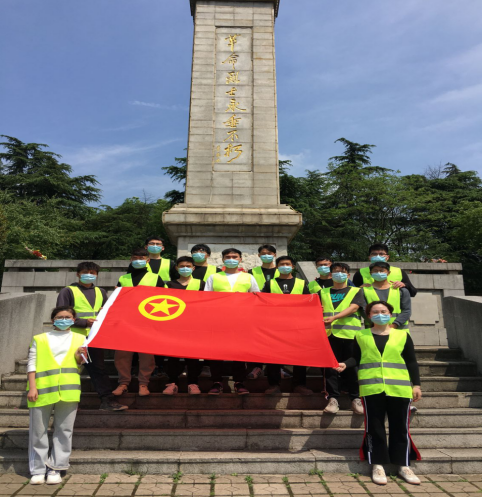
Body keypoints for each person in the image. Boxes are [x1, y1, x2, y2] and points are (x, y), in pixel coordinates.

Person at [335, 301, 422, 486]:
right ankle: (377, 464)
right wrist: (345, 364)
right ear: (368, 316)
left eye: (384, 311)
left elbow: (411, 361)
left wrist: (417, 385)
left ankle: (403, 465)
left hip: (399, 388)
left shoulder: (402, 335)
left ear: (390, 314)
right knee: (375, 427)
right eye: (375, 312)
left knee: (400, 427)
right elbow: (356, 358)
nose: (380, 314)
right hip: (371, 388)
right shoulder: (361, 335)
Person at [56, 262, 127, 412]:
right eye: (85, 272)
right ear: (78, 274)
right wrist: (84, 322)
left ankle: (107, 401)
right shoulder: (68, 291)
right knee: (68, 370)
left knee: (98, 369)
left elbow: (107, 313)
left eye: (92, 273)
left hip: (94, 337)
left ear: (97, 275)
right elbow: (61, 315)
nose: (89, 275)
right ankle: (62, 402)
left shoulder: (101, 292)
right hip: (72, 336)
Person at [27, 306, 86, 485]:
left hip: (69, 390)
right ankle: (38, 469)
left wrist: (79, 356)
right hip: (41, 390)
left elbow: (80, 364)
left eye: (68, 317)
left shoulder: (81, 338)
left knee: (64, 431)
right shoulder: (40, 338)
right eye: (60, 317)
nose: (64, 319)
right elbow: (32, 364)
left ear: (74, 320)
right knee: (38, 431)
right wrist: (32, 387)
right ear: (53, 320)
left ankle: (56, 467)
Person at [204, 248, 260, 395]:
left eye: (235, 257)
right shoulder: (214, 277)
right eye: (228, 257)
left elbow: (256, 297)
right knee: (216, 352)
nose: (231, 259)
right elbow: (206, 298)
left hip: (241, 320)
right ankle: (216, 382)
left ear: (240, 259)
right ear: (223, 259)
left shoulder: (249, 277)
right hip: (218, 320)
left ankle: (239, 382)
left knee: (239, 352)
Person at [113, 248, 164, 397]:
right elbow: (116, 298)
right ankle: (123, 383)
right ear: (131, 260)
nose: (138, 260)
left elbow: (164, 298)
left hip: (147, 320)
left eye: (141, 258)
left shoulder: (155, 278)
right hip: (125, 320)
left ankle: (143, 383)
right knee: (122, 353)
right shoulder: (124, 278)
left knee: (146, 354)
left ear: (148, 260)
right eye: (135, 258)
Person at [260, 256, 313, 395]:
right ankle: (274, 385)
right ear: (277, 267)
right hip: (274, 325)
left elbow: (308, 303)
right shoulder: (270, 283)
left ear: (293, 266)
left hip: (297, 325)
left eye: (287, 264)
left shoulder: (301, 283)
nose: (285, 266)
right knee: (273, 355)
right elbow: (262, 302)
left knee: (299, 355)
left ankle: (299, 385)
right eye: (282, 264)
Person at [320, 263, 365, 415]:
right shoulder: (323, 291)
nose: (339, 274)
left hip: (350, 334)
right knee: (330, 368)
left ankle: (355, 398)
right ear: (330, 275)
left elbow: (354, 307)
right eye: (335, 272)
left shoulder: (356, 290)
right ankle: (333, 398)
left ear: (348, 275)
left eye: (342, 272)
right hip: (328, 334)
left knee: (351, 367)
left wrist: (334, 318)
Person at [163, 256, 204, 395]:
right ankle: (172, 383)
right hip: (174, 324)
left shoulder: (201, 284)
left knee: (193, 355)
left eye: (188, 266)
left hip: (195, 324)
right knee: (173, 355)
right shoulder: (169, 284)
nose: (185, 268)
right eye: (181, 266)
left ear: (193, 268)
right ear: (176, 268)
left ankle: (193, 383)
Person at [352, 243, 417, 297]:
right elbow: (351, 294)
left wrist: (404, 285)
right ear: (369, 257)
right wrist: (359, 289)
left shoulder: (399, 272)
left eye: (381, 254)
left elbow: (413, 293)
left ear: (387, 257)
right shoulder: (361, 272)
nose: (378, 256)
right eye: (374, 254)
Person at [362, 262, 411, 332]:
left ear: (388, 273)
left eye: (382, 271)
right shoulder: (363, 291)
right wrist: (377, 325)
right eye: (375, 271)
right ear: (370, 273)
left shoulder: (401, 290)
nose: (379, 273)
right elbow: (363, 310)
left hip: (399, 330)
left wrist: (394, 325)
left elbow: (407, 310)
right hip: (373, 329)